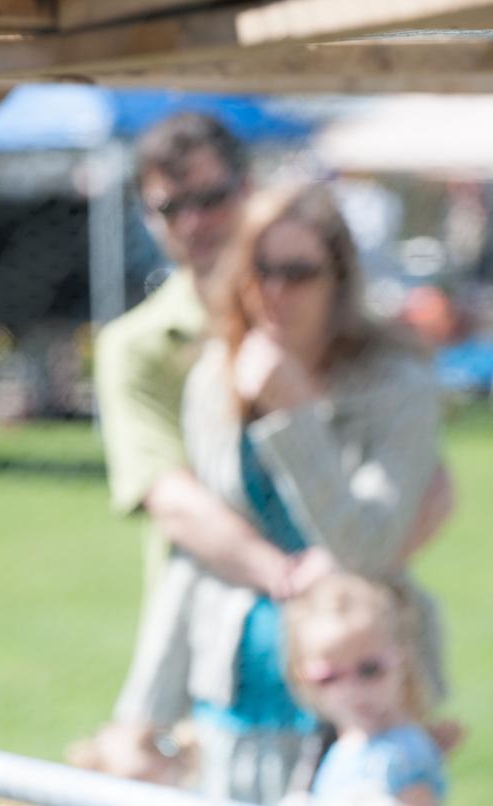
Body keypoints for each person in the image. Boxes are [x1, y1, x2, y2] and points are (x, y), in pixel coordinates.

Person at [109, 183, 452, 804]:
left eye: (300, 272)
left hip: (358, 696)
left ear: (340, 279)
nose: (276, 291)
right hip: (234, 692)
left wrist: (294, 413)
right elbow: (196, 556)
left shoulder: (395, 381)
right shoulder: (217, 376)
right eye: (260, 269)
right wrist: (143, 712)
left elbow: (369, 541)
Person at [283, 572, 445, 805]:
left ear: (400, 656)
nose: (353, 689)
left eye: (370, 670)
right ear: (304, 677)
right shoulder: (342, 743)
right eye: (329, 677)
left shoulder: (404, 754)